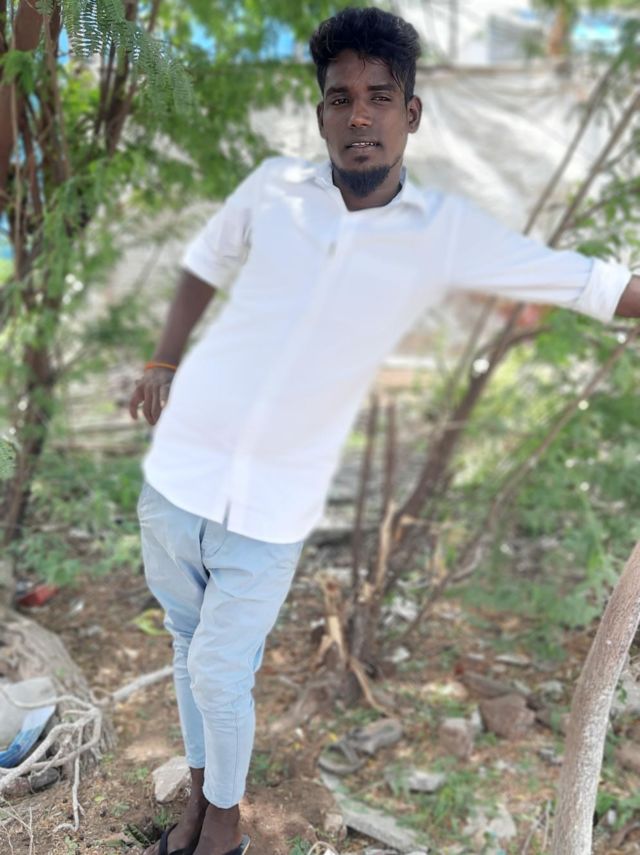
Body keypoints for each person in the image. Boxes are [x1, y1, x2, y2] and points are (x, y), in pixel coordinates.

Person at [128, 7, 640, 855]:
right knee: (189, 647)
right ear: (320, 113)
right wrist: (162, 359)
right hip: (178, 478)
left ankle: (223, 824)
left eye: (379, 97)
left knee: (220, 666)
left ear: (412, 112)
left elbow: (582, 281)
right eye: (341, 98)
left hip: (271, 503)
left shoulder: (443, 233)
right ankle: (196, 798)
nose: (359, 115)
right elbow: (203, 265)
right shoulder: (271, 189)